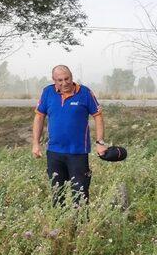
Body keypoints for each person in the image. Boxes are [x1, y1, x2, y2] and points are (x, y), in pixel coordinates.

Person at [32, 65, 106, 205]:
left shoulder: (85, 93)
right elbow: (39, 117)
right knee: (57, 195)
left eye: (67, 79)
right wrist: (36, 143)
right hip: (54, 152)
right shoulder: (47, 92)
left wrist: (100, 142)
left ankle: (81, 219)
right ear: (54, 80)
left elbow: (98, 116)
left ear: (72, 77)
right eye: (60, 80)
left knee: (80, 196)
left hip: (78, 153)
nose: (64, 83)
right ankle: (59, 219)